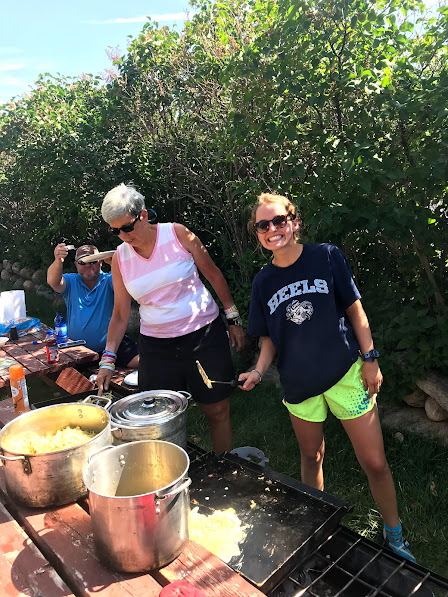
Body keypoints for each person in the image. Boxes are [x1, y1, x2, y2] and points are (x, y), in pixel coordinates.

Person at [238, 192, 416, 562]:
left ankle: (394, 534)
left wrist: (370, 358)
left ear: (294, 221)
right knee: (311, 455)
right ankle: (316, 530)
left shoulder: (326, 256)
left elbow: (355, 309)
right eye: (263, 225)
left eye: (279, 220)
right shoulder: (263, 282)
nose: (272, 229)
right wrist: (257, 370)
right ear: (257, 233)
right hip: (299, 385)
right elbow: (268, 339)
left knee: (375, 462)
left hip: (346, 375)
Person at [96, 183, 245, 454]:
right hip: (157, 347)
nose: (123, 236)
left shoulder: (177, 234)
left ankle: (224, 467)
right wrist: (108, 358)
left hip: (203, 336)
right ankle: (169, 471)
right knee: (157, 419)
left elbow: (213, 274)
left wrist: (233, 318)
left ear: (143, 215)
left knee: (216, 410)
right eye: (115, 231)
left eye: (126, 227)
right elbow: (119, 313)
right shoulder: (120, 258)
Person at [47, 243, 139, 368]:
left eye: (92, 261)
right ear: (76, 264)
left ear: (100, 262)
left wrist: (115, 265)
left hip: (111, 346)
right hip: (77, 349)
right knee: (66, 375)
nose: (88, 265)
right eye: (82, 262)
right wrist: (58, 260)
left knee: (142, 363)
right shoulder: (71, 281)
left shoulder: (109, 279)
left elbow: (128, 284)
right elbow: (53, 281)